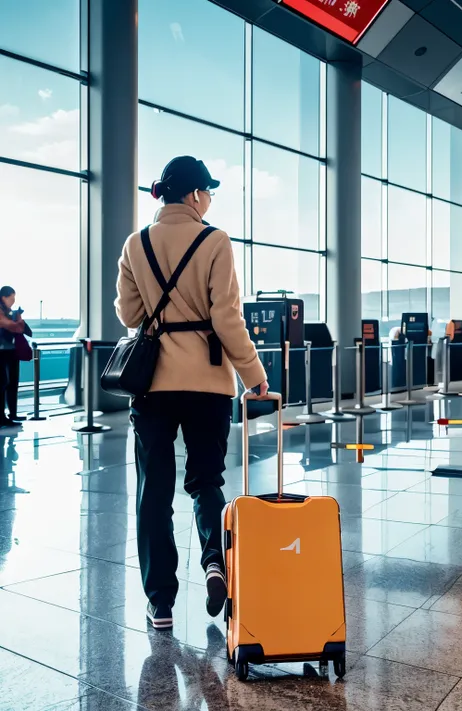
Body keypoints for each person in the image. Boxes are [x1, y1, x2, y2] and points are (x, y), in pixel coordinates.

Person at [115, 156, 268, 631]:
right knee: (206, 481)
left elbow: (128, 314)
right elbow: (227, 318)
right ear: (195, 194)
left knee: (154, 489)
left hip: (154, 385)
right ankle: (213, 561)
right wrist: (254, 374)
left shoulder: (136, 243)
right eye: (209, 192)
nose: (209, 201)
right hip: (207, 383)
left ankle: (160, 601)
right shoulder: (215, 240)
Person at [0, 287, 28, 427]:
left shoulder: (7, 311)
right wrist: (18, 319)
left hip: (11, 351)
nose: (13, 300)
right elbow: (13, 327)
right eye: (12, 297)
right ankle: (2, 418)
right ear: (4, 297)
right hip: (2, 352)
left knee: (10, 382)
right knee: (3, 383)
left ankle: (11, 414)